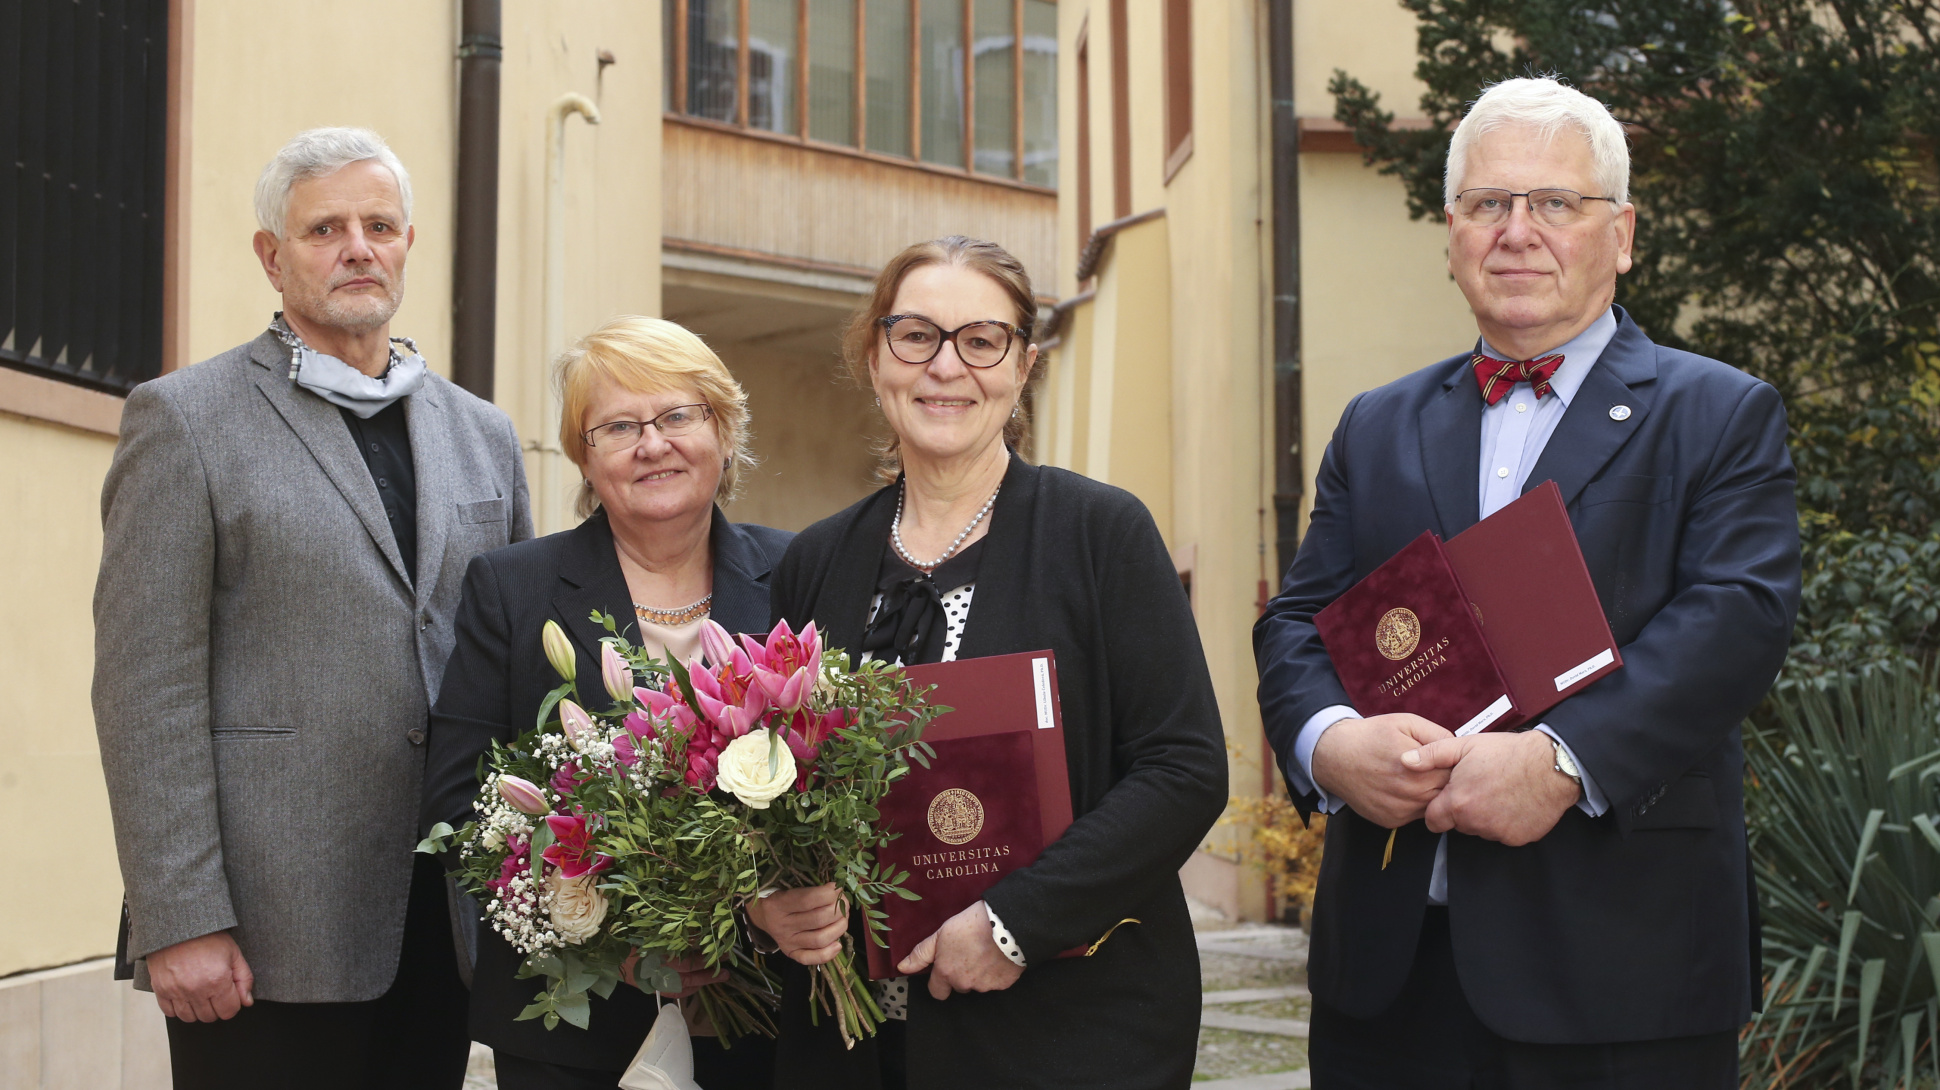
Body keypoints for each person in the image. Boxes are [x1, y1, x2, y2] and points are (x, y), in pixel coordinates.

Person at [1254, 77, 1802, 1088]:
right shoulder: (1375, 423)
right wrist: (1330, 745)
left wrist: (1559, 761)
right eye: (1485, 205)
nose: (1516, 231)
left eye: (1554, 203)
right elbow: (1296, 623)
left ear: (1620, 233)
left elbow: (1736, 617)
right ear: (1450, 233)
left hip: (1623, 974)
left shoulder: (1717, 413)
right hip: (1389, 977)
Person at [92, 127, 531, 1089]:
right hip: (264, 931)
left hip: (442, 921)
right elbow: (144, 691)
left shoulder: (484, 436)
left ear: (409, 242)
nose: (358, 247)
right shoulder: (186, 420)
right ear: (271, 256)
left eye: (379, 225)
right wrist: (181, 917)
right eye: (325, 228)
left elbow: (514, 670)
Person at [748, 236, 1229, 1089]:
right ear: (874, 356)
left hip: (1066, 1027)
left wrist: (1013, 924)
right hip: (853, 1041)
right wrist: (772, 898)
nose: (946, 367)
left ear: (1022, 366)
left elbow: (1182, 769)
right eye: (916, 336)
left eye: (981, 340)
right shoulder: (815, 562)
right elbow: (769, 778)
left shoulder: (1102, 535)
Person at [421, 316, 789, 1090]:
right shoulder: (513, 589)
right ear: (587, 460)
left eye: (678, 416)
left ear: (724, 431)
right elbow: (461, 802)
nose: (652, 444)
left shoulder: (799, 573)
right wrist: (616, 939)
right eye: (618, 427)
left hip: (771, 1023)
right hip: (577, 1037)